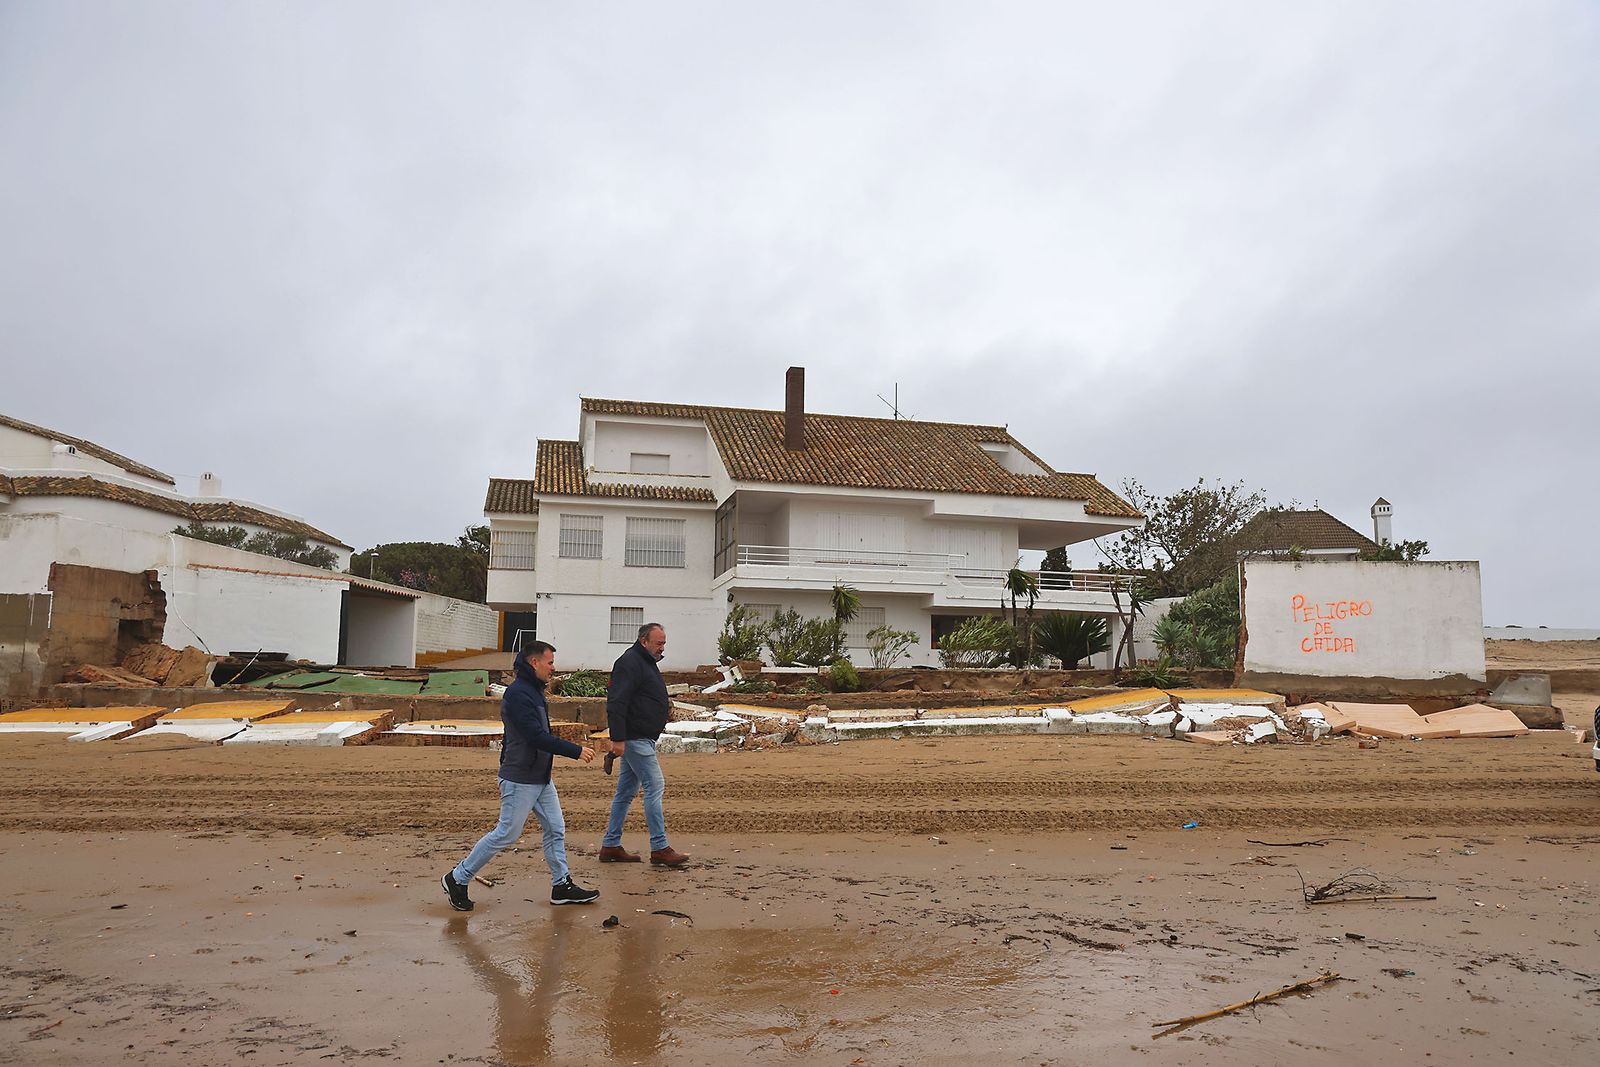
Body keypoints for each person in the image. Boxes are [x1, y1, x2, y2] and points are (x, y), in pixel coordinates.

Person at [443, 640, 600, 910]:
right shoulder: (518, 694)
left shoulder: (534, 691)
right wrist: (574, 751)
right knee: (506, 833)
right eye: (550, 662)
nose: (553, 668)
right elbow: (535, 736)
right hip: (520, 777)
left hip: (539, 776)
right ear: (534, 662)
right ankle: (458, 877)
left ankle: (561, 886)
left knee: (555, 828)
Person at [598, 622, 689, 866]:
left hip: (641, 737)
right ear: (644, 641)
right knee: (654, 786)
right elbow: (616, 702)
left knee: (625, 792)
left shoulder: (645, 662)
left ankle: (611, 845)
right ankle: (659, 848)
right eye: (659, 643)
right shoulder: (629, 663)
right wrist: (617, 738)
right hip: (635, 737)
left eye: (664, 643)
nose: (662, 647)